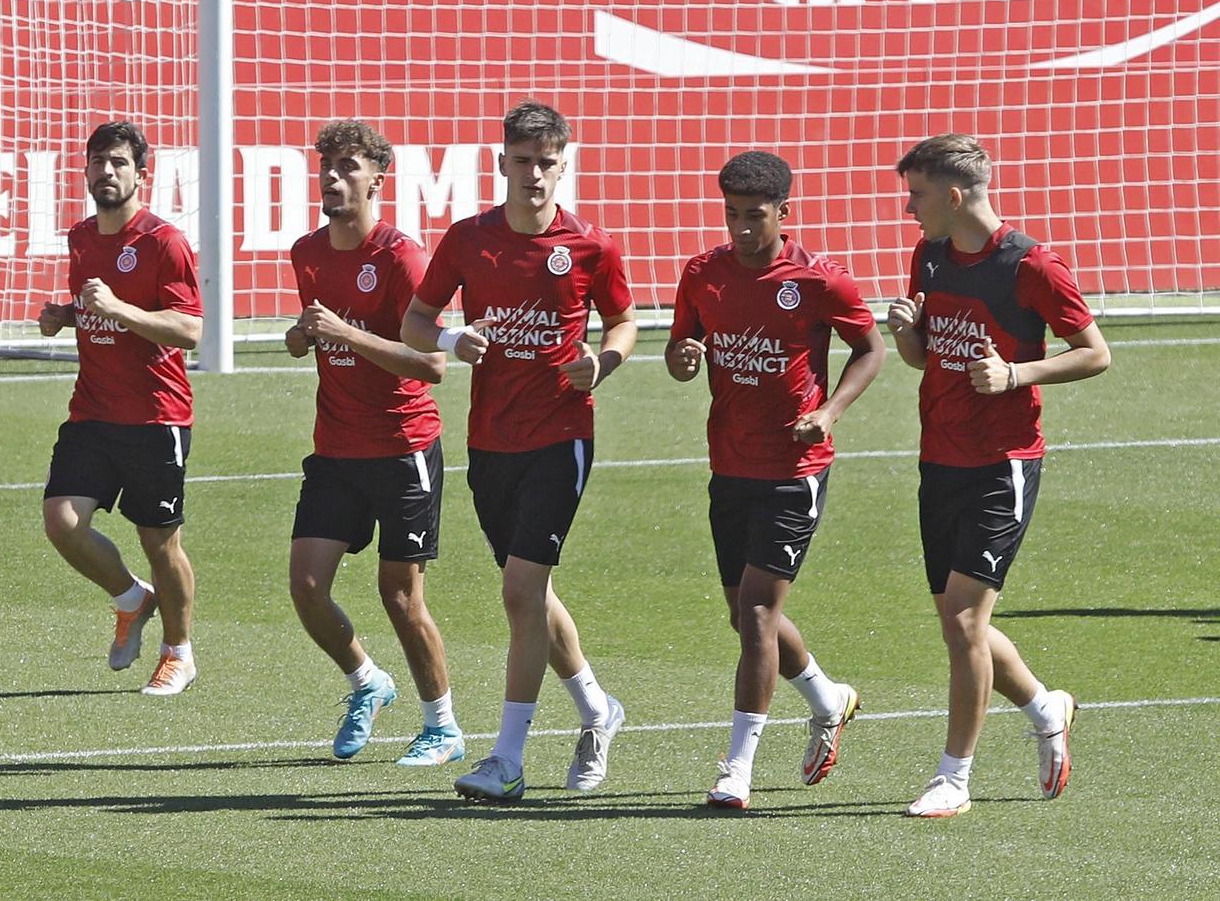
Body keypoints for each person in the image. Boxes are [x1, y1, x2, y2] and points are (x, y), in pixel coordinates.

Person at [403, 100, 637, 803]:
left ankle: (506, 758)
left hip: (562, 437)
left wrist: (604, 362)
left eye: (548, 161)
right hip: (490, 442)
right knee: (532, 593)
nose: (535, 173)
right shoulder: (469, 239)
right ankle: (598, 709)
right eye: (524, 160)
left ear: (564, 164)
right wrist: (450, 340)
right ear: (503, 162)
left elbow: (624, 320)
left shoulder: (590, 244)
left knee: (518, 591)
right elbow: (417, 319)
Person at [886, 134, 1109, 818]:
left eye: (917, 194)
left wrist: (1018, 373)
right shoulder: (929, 254)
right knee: (962, 626)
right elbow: (929, 358)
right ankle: (1048, 706)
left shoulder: (1031, 265)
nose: (907, 207)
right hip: (939, 459)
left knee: (962, 619)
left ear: (953, 196)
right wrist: (906, 336)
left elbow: (1095, 353)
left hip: (1002, 463)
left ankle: (954, 776)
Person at [665, 151, 886, 811]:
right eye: (731, 214)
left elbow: (870, 348)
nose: (739, 228)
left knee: (759, 610)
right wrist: (682, 357)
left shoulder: (819, 280)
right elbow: (682, 357)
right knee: (746, 614)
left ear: (784, 213)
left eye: (754, 216)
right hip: (729, 466)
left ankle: (736, 766)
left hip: (794, 470)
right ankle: (827, 697)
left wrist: (829, 410)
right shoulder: (703, 274)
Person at [285, 120, 463, 766]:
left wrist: (344, 333)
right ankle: (367, 680)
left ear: (377, 181)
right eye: (327, 167)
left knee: (399, 594)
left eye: (347, 168)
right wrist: (302, 337)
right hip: (335, 450)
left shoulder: (401, 257)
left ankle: (442, 724)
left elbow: (432, 366)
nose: (333, 178)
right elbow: (312, 332)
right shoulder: (307, 253)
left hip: (402, 448)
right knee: (306, 585)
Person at [37, 121, 203, 697]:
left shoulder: (163, 243)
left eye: (118, 163)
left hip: (156, 417)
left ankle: (178, 653)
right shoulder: (82, 238)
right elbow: (97, 311)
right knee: (61, 521)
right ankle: (133, 599)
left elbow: (188, 329)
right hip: (92, 412)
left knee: (160, 543)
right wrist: (66, 314)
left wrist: (119, 307)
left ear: (140, 173)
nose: (106, 172)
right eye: (98, 162)